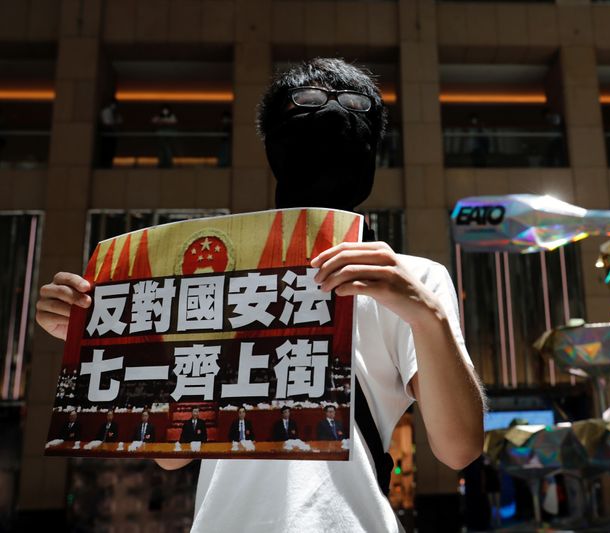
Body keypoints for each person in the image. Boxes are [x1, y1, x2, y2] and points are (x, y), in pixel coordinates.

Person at [35, 57, 485, 532]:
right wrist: (96, 337)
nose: (331, 117)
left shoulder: (409, 279)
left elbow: (459, 447)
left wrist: (428, 316)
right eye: (309, 106)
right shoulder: (215, 279)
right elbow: (172, 457)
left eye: (352, 109)